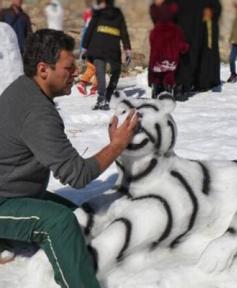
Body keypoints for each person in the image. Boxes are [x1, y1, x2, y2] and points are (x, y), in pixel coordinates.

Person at [0, 29, 139, 287]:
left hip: (17, 193)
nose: (75, 73)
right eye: (68, 67)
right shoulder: (37, 112)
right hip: (4, 201)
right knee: (61, 223)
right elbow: (77, 175)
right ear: (44, 69)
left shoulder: (26, 88)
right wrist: (118, 145)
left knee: (80, 216)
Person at [82, 0, 132, 111]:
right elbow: (124, 31)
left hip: (97, 46)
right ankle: (108, 94)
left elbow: (89, 30)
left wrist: (84, 47)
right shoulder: (118, 13)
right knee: (116, 70)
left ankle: (102, 98)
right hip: (112, 48)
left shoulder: (98, 12)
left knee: (100, 72)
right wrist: (127, 49)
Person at [148, 0, 189, 99]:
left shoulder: (155, 32)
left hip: (158, 59)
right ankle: (167, 90)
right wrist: (185, 48)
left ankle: (156, 90)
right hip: (170, 60)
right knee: (169, 75)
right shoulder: (176, 30)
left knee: (157, 74)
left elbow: (153, 44)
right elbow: (181, 45)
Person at [194, 0, 222, 92]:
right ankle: (198, 81)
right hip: (198, 28)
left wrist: (210, 12)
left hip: (210, 28)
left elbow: (217, 8)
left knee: (209, 55)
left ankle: (208, 81)